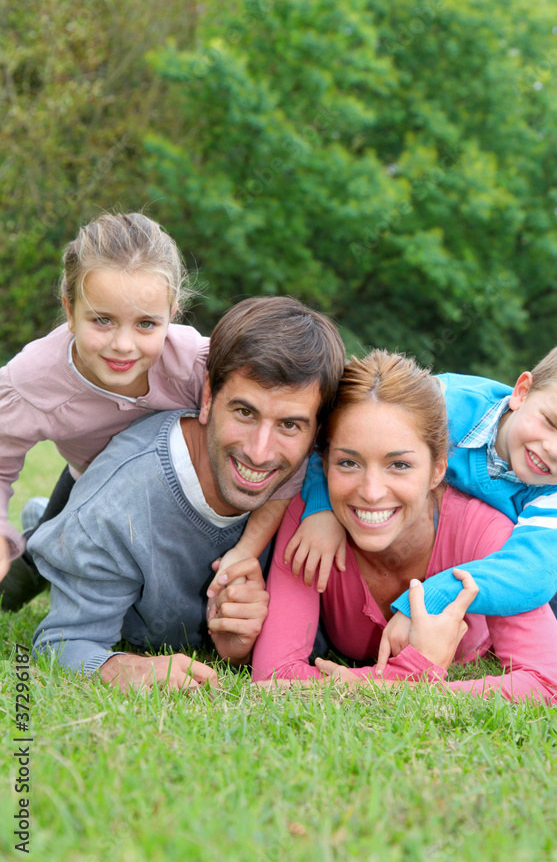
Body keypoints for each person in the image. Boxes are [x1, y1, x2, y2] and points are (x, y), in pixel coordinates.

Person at [0, 212, 340, 609]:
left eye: (146, 324)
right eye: (102, 320)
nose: (123, 345)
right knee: (31, 568)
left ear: (173, 312)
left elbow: (302, 430)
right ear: (69, 309)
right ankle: (37, 533)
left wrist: (314, 511)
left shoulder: (199, 366)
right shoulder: (32, 380)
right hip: (86, 480)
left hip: (166, 494)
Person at [29, 295, 346, 691]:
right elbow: (61, 643)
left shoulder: (330, 490)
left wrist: (249, 645)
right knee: (67, 539)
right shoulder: (116, 509)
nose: (259, 452)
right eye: (244, 412)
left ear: (317, 431)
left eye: (290, 425)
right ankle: (43, 527)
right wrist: (124, 668)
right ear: (209, 397)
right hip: (93, 521)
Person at [289, 333, 557, 666]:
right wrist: (320, 508)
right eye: (550, 422)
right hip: (442, 532)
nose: (553, 450)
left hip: (517, 555)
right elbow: (345, 428)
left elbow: (533, 575)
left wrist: (434, 596)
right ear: (522, 391)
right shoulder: (445, 402)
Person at [252, 350, 557, 706]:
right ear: (324, 463)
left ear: (438, 469)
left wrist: (395, 681)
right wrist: (405, 677)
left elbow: (552, 686)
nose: (371, 492)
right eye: (348, 462)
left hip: (527, 568)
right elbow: (273, 676)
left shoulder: (486, 533)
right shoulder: (311, 524)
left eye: (400, 465)